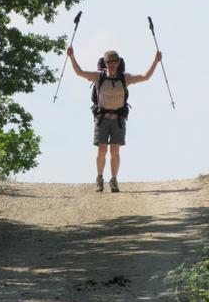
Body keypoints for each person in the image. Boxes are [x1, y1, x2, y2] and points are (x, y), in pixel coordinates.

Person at [67, 46, 162, 192]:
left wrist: (156, 61)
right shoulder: (99, 76)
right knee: (102, 149)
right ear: (105, 63)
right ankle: (99, 179)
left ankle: (113, 180)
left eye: (114, 62)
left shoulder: (125, 78)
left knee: (115, 150)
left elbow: (145, 77)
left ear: (118, 63)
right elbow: (79, 72)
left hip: (118, 118)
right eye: (109, 62)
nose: (112, 65)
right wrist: (72, 57)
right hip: (102, 118)